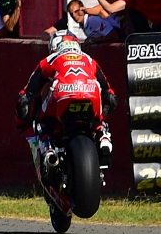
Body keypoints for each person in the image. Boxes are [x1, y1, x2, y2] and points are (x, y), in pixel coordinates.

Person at [16, 30, 116, 165]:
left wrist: (21, 119)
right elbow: (110, 94)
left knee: (42, 120)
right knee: (97, 119)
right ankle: (103, 137)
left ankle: (48, 149)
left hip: (63, 93)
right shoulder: (89, 59)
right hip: (91, 91)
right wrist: (104, 111)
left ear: (54, 46)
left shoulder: (51, 59)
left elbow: (26, 95)